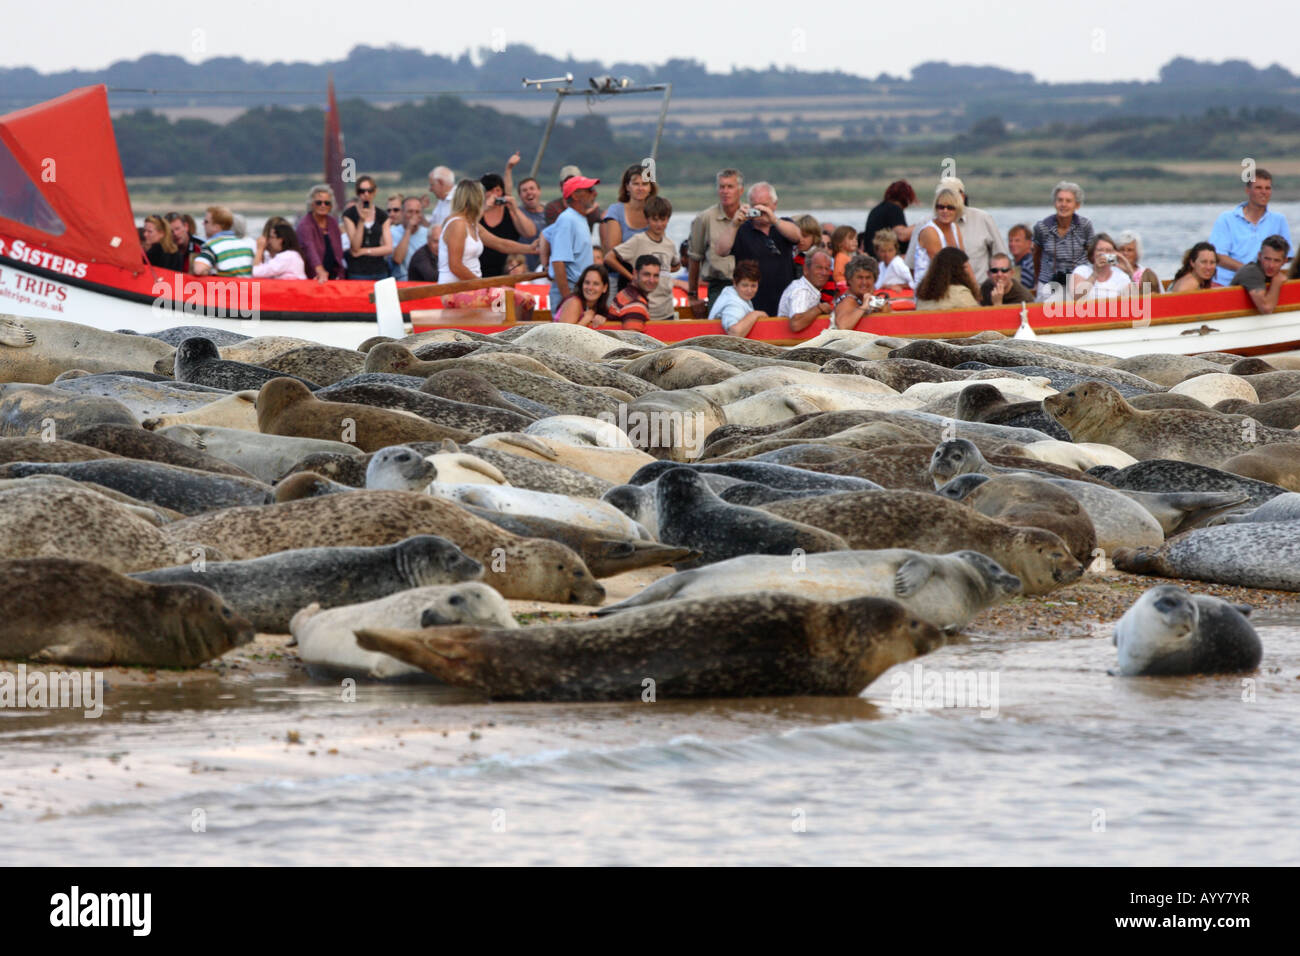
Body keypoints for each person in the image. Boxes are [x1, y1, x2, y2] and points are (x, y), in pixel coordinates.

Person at [714, 181, 802, 317]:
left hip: (784, 299)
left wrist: (773, 220)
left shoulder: (783, 224)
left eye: (764, 205)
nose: (760, 210)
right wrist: (733, 224)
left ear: (775, 204)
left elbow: (797, 237)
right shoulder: (741, 229)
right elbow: (720, 250)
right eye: (755, 206)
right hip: (753, 300)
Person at [1209, 169, 1292, 287]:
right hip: (1226, 285)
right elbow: (1217, 257)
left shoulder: (1279, 220)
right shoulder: (1226, 219)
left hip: (1262, 285)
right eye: (1258, 188)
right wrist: (1250, 273)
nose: (1264, 192)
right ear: (1248, 190)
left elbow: (1286, 257)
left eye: (1267, 188)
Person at [605, 195, 680, 321]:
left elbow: (676, 265)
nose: (659, 224)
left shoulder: (670, 244)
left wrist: (667, 269)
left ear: (668, 219)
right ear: (647, 219)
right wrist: (632, 277)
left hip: (667, 310)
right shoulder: (638, 240)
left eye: (663, 219)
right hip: (644, 309)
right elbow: (609, 258)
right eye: (655, 220)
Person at [687, 167, 744, 313]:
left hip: (749, 284)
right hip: (719, 286)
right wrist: (693, 296)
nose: (725, 191)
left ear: (740, 190)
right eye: (721, 187)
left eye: (730, 187)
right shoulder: (704, 218)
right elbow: (694, 257)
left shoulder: (751, 216)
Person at [541, 174, 600, 312]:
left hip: (578, 290)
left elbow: (544, 234)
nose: (595, 193)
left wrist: (545, 265)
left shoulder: (574, 218)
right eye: (590, 190)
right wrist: (568, 300)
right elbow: (558, 261)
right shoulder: (567, 220)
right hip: (571, 291)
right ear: (575, 195)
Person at [937, 178, 1006, 284]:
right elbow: (913, 266)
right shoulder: (926, 225)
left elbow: (1001, 259)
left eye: (952, 196)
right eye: (943, 197)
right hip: (940, 294)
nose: (947, 201)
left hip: (980, 291)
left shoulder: (983, 218)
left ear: (962, 197)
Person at [1032, 181, 1094, 299]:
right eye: (1060, 200)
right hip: (1048, 283)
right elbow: (1036, 256)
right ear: (1055, 203)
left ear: (1077, 205)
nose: (1063, 204)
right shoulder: (1042, 227)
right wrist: (1036, 281)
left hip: (1077, 284)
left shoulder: (1085, 226)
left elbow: (1092, 255)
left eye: (1068, 201)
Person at [600, 164, 656, 288]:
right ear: (627, 187)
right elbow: (613, 250)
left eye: (645, 184)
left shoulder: (655, 212)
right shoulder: (616, 211)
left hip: (647, 277)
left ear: (650, 188)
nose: (640, 188)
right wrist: (634, 279)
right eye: (636, 184)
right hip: (617, 276)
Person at [478, 169, 538, 277]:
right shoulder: (477, 214)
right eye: (490, 191)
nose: (495, 195)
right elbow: (467, 223)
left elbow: (530, 232)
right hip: (481, 270)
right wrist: (485, 208)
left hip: (508, 271)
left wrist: (514, 209)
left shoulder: (509, 212)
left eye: (498, 190)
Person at [912, 185, 965, 290]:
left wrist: (975, 290)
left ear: (957, 209)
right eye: (941, 207)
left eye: (950, 207)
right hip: (929, 290)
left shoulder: (955, 228)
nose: (945, 211)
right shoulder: (930, 232)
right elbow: (942, 268)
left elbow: (964, 264)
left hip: (951, 286)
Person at [341, 175, 393, 279]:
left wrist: (365, 251)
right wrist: (361, 221)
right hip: (358, 271)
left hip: (379, 270)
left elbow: (388, 248)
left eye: (369, 191)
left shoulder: (382, 215)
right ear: (357, 192)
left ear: (374, 192)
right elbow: (355, 247)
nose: (366, 194)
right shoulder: (349, 215)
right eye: (362, 191)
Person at [1230, 234, 1290, 314]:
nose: (1271, 265)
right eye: (1267, 259)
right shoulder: (1251, 271)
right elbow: (1266, 308)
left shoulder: (1272, 274)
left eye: (1276, 260)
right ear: (1259, 256)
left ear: (1284, 261)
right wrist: (1276, 282)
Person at [296, 184, 346, 282]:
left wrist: (340, 273)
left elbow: (339, 250)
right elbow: (309, 248)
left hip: (334, 275)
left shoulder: (333, 222)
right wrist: (320, 270)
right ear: (311, 204)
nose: (323, 206)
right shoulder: (305, 224)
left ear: (331, 206)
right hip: (314, 276)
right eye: (319, 202)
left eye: (327, 203)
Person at [779, 248, 835, 333]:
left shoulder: (809, 289)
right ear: (806, 269)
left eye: (827, 269)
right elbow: (796, 324)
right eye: (819, 268)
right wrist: (819, 308)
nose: (824, 273)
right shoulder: (801, 290)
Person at [1070, 233, 1138, 300]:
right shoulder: (1082, 270)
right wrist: (1095, 273)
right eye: (1100, 250)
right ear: (1092, 254)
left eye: (1108, 250)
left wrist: (1128, 268)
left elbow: (1135, 297)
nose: (1104, 254)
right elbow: (1076, 296)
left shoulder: (1121, 276)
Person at [709, 259, 766, 338]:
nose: (749, 290)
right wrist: (755, 314)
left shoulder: (735, 295)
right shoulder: (733, 302)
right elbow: (734, 333)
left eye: (753, 285)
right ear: (735, 283)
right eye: (745, 285)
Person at [191, 206, 253, 276]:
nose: (203, 224)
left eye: (206, 222)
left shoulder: (212, 245)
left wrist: (210, 271)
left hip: (228, 286)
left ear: (216, 227)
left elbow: (198, 270)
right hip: (247, 286)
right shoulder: (246, 245)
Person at [915, 247, 981, 310]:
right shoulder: (961, 293)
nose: (970, 271)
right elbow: (976, 317)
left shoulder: (922, 296)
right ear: (960, 270)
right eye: (965, 267)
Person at [862, 180, 917, 254]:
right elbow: (902, 235)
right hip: (881, 257)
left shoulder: (878, 209)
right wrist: (923, 224)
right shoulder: (893, 209)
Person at [608, 255, 660, 331]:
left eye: (656, 275)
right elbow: (632, 340)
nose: (651, 280)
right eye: (646, 274)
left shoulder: (625, 293)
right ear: (635, 273)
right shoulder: (636, 305)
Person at [832, 255, 885, 330]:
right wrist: (864, 307)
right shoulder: (848, 300)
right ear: (850, 280)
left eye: (868, 277)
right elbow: (843, 326)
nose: (864, 282)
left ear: (874, 280)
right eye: (860, 277)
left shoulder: (862, 298)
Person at [389, 196, 429, 281]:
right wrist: (408, 230)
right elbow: (397, 259)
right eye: (410, 212)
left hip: (422, 281)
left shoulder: (427, 234)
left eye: (417, 212)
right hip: (402, 281)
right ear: (402, 213)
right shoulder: (392, 232)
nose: (413, 216)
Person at [515, 175, 548, 270]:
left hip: (545, 269)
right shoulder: (516, 213)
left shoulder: (550, 213)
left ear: (539, 191)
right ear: (520, 195)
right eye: (524, 190)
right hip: (523, 270)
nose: (529, 192)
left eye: (532, 188)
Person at [1007, 223, 1035, 290]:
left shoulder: (1027, 266)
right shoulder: (1015, 263)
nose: (1012, 244)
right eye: (1010, 240)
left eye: (1017, 240)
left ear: (1029, 243)